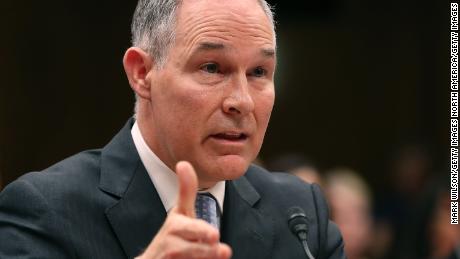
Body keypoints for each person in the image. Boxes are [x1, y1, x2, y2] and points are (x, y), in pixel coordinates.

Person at [0, 0, 346, 258]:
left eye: (258, 72)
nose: (241, 101)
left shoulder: (299, 213)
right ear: (141, 73)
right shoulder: (44, 210)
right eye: (212, 67)